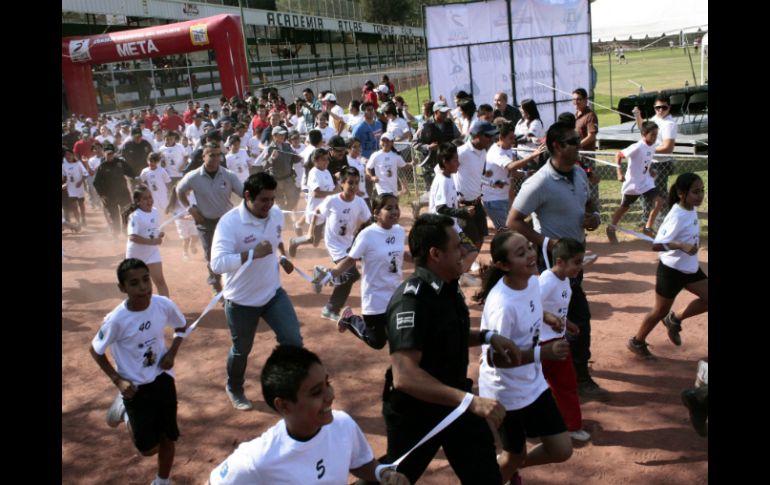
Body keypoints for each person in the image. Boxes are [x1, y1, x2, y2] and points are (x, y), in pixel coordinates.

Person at [375, 213, 522, 484]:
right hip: (416, 412)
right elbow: (405, 376)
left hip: (456, 405)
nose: (463, 252)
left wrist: (488, 336)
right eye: (456, 247)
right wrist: (470, 401)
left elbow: (447, 336)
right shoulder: (411, 301)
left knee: (485, 476)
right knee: (394, 478)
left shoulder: (449, 287)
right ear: (435, 254)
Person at [507, 122, 610, 401]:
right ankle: (575, 377)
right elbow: (513, 221)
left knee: (566, 317)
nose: (579, 144)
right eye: (573, 141)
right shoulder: (539, 182)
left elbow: (588, 205)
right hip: (552, 265)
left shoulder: (579, 173)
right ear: (556, 146)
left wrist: (593, 218)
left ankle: (561, 370)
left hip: (574, 262)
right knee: (570, 316)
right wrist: (548, 243)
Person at [209, 345, 409, 485]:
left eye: (327, 383)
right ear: (284, 405)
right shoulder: (256, 460)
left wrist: (381, 473)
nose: (330, 395)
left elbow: (361, 462)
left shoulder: (342, 424)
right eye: (316, 392)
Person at [475, 231, 573, 484]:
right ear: (503, 265)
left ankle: (507, 467)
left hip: (533, 382)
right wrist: (543, 353)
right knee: (514, 454)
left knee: (561, 449)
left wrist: (546, 316)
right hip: (506, 392)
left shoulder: (531, 282)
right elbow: (496, 360)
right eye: (521, 253)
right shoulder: (502, 305)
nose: (531, 254)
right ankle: (501, 470)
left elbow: (530, 306)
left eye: (529, 247)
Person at [89, 258, 188, 485]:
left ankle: (162, 481)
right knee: (147, 449)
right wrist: (117, 380)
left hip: (163, 379)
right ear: (122, 288)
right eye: (134, 283)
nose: (143, 288)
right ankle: (124, 410)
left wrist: (172, 352)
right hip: (134, 387)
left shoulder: (163, 305)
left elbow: (181, 327)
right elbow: (95, 350)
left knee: (168, 437)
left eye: (146, 280)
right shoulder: (116, 320)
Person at [210, 172, 303, 411]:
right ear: (248, 196)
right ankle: (234, 386)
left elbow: (276, 241)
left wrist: (282, 257)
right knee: (241, 350)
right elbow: (217, 264)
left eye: (272, 199)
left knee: (293, 340)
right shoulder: (229, 223)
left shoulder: (276, 214)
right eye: (263, 200)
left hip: (273, 294)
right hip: (241, 300)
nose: (269, 205)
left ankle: (287, 387)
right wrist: (252, 254)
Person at [627, 173, 707, 359]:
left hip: (690, 268)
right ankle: (637, 341)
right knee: (659, 310)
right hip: (671, 271)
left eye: (702, 191)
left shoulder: (690, 208)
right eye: (695, 192)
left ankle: (674, 319)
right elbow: (657, 245)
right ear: (681, 193)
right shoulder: (677, 216)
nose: (700, 195)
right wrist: (681, 245)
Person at [314, 193, 403, 350]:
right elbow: (350, 260)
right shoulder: (367, 235)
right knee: (377, 342)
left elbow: (401, 254)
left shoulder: (399, 231)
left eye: (396, 207)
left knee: (400, 338)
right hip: (375, 297)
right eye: (389, 208)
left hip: (396, 295)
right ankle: (349, 319)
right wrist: (330, 274)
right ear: (376, 213)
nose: (395, 211)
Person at [537, 238, 591, 442]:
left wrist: (567, 324)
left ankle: (572, 426)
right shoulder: (546, 281)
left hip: (558, 343)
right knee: (532, 388)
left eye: (581, 261)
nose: (580, 266)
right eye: (576, 262)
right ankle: (521, 423)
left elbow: (557, 309)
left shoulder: (566, 280)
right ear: (559, 261)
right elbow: (529, 307)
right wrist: (548, 319)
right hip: (540, 346)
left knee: (566, 384)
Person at [176, 142, 244, 294]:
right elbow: (179, 191)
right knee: (211, 254)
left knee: (232, 252)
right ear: (203, 156)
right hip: (205, 222)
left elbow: (243, 193)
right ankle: (215, 283)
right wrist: (190, 208)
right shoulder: (193, 176)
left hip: (227, 222)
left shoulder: (229, 175)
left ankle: (234, 283)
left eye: (219, 155)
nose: (216, 158)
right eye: (212, 155)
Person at [310, 166, 371, 322]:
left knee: (348, 274)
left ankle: (323, 274)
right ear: (342, 183)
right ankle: (330, 308)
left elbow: (368, 221)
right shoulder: (332, 200)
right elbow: (317, 212)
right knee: (351, 274)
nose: (353, 186)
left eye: (356, 183)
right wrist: (311, 232)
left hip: (349, 243)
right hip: (334, 243)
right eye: (350, 182)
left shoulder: (360, 202)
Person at [606, 121, 666, 242]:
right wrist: (619, 173)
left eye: (656, 134)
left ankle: (648, 228)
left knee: (659, 202)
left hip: (646, 182)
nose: (655, 137)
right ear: (644, 134)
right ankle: (611, 228)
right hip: (633, 184)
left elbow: (646, 160)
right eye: (652, 134)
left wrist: (650, 170)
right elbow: (619, 155)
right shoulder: (637, 147)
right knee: (624, 208)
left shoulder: (652, 146)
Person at [633, 94, 677, 229]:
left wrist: (648, 150)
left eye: (664, 107)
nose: (661, 110)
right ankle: (646, 218)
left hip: (660, 164)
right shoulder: (654, 119)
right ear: (654, 108)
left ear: (669, 107)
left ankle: (662, 221)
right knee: (644, 191)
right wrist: (638, 116)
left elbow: (668, 148)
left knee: (658, 193)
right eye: (658, 107)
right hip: (648, 162)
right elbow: (643, 129)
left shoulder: (669, 124)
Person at [289, 148, 338, 257]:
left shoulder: (327, 172)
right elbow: (317, 193)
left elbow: (332, 189)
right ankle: (294, 241)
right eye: (323, 159)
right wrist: (333, 193)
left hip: (327, 210)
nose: (327, 162)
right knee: (312, 240)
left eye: (327, 159)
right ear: (315, 161)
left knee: (320, 238)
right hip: (315, 211)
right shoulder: (314, 173)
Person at [93, 143, 137, 239]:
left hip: (123, 193)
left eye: (111, 153)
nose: (110, 155)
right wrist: (101, 195)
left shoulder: (120, 163)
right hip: (109, 196)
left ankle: (126, 232)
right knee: (114, 216)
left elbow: (130, 172)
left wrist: (136, 178)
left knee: (126, 213)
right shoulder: (102, 166)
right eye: (108, 153)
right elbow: (96, 183)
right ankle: (115, 235)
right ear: (104, 153)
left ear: (114, 153)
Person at [572, 88, 601, 210]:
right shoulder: (576, 115)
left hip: (587, 157)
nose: (576, 102)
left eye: (579, 99)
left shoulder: (590, 116)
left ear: (586, 100)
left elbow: (591, 136)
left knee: (590, 186)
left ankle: (594, 212)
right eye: (574, 99)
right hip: (577, 157)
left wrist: (577, 146)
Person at [62, 147, 89, 227]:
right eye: (66, 155)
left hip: (79, 188)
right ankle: (78, 222)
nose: (68, 156)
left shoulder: (78, 163)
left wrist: (80, 182)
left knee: (81, 204)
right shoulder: (64, 165)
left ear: (73, 155)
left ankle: (83, 218)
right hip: (70, 189)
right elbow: (64, 177)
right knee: (74, 206)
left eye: (69, 154)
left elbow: (85, 174)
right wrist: (65, 184)